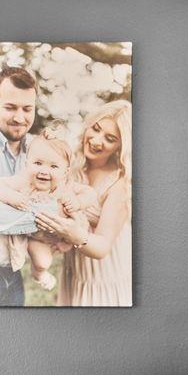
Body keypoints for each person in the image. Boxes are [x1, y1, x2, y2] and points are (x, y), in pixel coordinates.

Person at [58, 100, 133, 306]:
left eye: (110, 139)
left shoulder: (118, 183)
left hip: (104, 279)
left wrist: (70, 233)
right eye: (96, 129)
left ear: (120, 146)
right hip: (76, 272)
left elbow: (102, 247)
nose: (97, 141)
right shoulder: (73, 166)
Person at [0, 135, 84, 290]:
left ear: (65, 172)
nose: (44, 171)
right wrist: (12, 197)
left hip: (62, 234)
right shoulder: (24, 181)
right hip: (36, 237)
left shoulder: (65, 186)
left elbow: (90, 194)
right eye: (38, 163)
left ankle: (55, 251)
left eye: (54, 166)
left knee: (72, 235)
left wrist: (78, 202)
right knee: (42, 262)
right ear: (27, 164)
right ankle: (39, 275)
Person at [0, 65, 38, 306]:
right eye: (10, 107)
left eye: (27, 109)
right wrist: (47, 220)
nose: (20, 117)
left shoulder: (35, 148)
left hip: (14, 270)